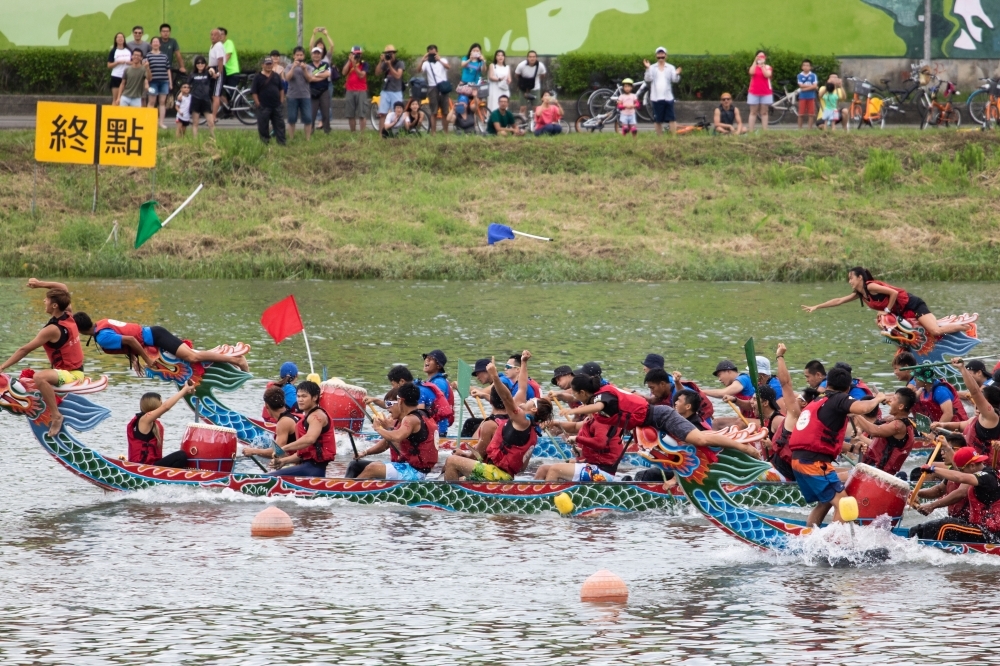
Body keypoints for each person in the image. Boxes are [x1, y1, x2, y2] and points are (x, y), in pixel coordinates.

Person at [788, 365, 886, 526]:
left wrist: (853, 448)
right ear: (848, 388)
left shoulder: (819, 400)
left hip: (798, 461)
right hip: (814, 463)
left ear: (827, 384)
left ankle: (810, 535)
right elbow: (864, 408)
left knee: (825, 502)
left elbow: (821, 439)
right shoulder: (839, 398)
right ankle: (834, 546)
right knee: (845, 504)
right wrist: (878, 399)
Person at [444, 353, 552, 482]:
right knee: (461, 477)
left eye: (532, 400)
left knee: (451, 461)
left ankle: (449, 498)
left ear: (533, 409)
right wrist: (524, 362)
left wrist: (494, 376)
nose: (529, 398)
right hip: (501, 473)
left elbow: (506, 398)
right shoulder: (529, 427)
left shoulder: (522, 421)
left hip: (498, 475)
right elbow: (522, 387)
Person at [0, 286, 84, 436]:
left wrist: (3, 367)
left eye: (47, 299)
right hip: (72, 370)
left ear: (54, 305)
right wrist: (39, 283)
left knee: (38, 377)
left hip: (72, 374)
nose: (44, 301)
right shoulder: (68, 313)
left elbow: (24, 350)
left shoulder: (52, 329)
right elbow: (63, 288)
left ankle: (56, 415)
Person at [802, 267, 971, 337]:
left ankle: (966, 327)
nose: (849, 282)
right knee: (879, 321)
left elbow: (893, 293)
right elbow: (839, 300)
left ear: (860, 277)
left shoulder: (872, 286)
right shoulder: (860, 294)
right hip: (902, 312)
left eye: (851, 278)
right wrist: (816, 306)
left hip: (913, 305)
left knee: (934, 331)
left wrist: (888, 310)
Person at [71, 311, 250, 373]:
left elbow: (132, 340)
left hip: (157, 336)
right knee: (191, 358)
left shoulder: (101, 336)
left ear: (78, 329)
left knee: (192, 357)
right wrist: (135, 360)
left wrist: (147, 360)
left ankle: (236, 360)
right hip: (154, 335)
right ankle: (227, 359)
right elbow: (126, 342)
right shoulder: (101, 326)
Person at [909, 446, 1000, 543]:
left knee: (944, 526)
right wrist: (915, 493)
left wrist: (932, 469)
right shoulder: (979, 474)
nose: (961, 471)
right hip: (978, 527)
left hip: (990, 533)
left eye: (961, 469)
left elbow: (960, 478)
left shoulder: (987, 477)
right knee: (918, 530)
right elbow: (939, 489)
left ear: (972, 465)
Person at [351, 383, 439, 480]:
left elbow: (397, 437)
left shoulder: (411, 419)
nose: (387, 408)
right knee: (355, 465)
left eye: (391, 403)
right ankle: (350, 487)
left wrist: (378, 428)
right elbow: (386, 443)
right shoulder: (415, 416)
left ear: (400, 401)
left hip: (415, 472)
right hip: (406, 466)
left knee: (373, 468)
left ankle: (348, 491)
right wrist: (365, 452)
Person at [269, 381, 336, 477]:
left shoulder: (317, 416)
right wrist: (283, 461)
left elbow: (310, 439)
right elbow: (303, 454)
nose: (300, 400)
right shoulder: (306, 419)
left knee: (270, 477)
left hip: (314, 469)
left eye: (304, 396)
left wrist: (283, 448)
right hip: (308, 468)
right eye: (298, 396)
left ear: (315, 397)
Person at [127, 383, 196, 468]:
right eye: (160, 403)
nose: (161, 405)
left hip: (151, 466)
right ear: (154, 405)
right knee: (181, 455)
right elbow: (166, 407)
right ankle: (173, 479)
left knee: (183, 458)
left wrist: (185, 392)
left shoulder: (152, 422)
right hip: (142, 468)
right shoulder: (144, 420)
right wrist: (184, 390)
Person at [853, 388, 917, 475]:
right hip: (873, 468)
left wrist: (854, 412)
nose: (890, 400)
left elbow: (873, 431)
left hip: (880, 475)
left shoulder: (898, 426)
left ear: (901, 406)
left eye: (893, 399)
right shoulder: (895, 420)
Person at [244, 386, 299, 459]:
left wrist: (253, 451)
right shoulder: (292, 416)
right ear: (284, 401)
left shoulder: (284, 422)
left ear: (266, 405)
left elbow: (278, 452)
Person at [643, 46, 681, 135]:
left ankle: (673, 138)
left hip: (668, 97)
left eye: (662, 54)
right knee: (658, 119)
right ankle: (660, 139)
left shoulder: (671, 67)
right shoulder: (652, 67)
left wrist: (677, 74)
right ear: (656, 56)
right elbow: (648, 79)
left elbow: (675, 80)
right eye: (659, 54)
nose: (661, 56)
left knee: (672, 118)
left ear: (666, 55)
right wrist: (648, 68)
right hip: (656, 97)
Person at [250, 57, 286, 145]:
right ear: (263, 65)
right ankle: (264, 143)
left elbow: (281, 89)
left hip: (276, 105)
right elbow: (254, 92)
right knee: (263, 126)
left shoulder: (276, 76)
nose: (269, 66)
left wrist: (281, 101)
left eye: (270, 64)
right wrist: (258, 103)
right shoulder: (258, 77)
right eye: (267, 64)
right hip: (264, 106)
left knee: (280, 125)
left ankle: (282, 143)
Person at [284, 46, 314, 141]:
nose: (299, 57)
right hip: (292, 96)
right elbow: (287, 78)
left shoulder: (308, 67)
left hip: (305, 96)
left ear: (304, 56)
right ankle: (291, 138)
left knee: (308, 119)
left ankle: (307, 139)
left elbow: (310, 79)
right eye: (297, 55)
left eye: (301, 55)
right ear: (294, 56)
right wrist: (293, 67)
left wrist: (304, 69)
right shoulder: (288, 67)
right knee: (291, 118)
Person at [420, 349, 453, 436]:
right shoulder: (432, 381)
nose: (426, 360)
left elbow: (436, 403)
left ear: (438, 366)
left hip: (437, 429)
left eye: (430, 359)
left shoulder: (439, 382)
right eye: (426, 358)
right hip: (433, 428)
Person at [419, 44, 451, 134]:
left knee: (445, 111)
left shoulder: (443, 60)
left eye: (434, 53)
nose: (432, 56)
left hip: (443, 86)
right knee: (434, 111)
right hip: (432, 87)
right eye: (430, 54)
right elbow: (418, 71)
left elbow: (448, 67)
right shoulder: (426, 63)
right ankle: (433, 133)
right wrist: (422, 60)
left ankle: (446, 132)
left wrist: (439, 60)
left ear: (437, 52)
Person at [375, 44, 405, 133]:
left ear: (394, 54)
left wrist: (390, 65)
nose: (389, 55)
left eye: (391, 53)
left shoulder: (400, 63)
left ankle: (394, 134)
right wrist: (381, 62)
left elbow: (398, 75)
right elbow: (377, 73)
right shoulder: (385, 63)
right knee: (382, 114)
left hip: (396, 91)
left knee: (396, 114)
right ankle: (381, 135)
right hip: (385, 91)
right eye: (387, 53)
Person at [145, 37, 172, 129]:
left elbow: (168, 70)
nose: (156, 43)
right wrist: (146, 83)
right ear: (151, 44)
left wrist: (170, 82)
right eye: (154, 42)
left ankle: (161, 123)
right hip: (152, 82)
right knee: (151, 102)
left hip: (164, 81)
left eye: (157, 42)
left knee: (162, 102)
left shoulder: (164, 56)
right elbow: (145, 70)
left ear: (160, 44)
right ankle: (150, 122)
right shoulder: (147, 56)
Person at [188, 55, 216, 138]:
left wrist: (210, 69)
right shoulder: (192, 74)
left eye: (202, 63)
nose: (200, 64)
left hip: (205, 100)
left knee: (210, 122)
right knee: (195, 122)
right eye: (198, 63)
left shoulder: (207, 73)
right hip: (195, 99)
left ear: (205, 64)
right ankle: (195, 141)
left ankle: (214, 139)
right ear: (195, 64)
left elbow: (212, 72)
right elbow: (186, 85)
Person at [342, 46, 369, 132]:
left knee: (362, 114)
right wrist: (349, 61)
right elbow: (343, 72)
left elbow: (361, 75)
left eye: (358, 54)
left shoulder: (364, 64)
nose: (357, 56)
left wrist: (354, 65)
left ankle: (362, 135)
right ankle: (352, 133)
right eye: (355, 54)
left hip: (361, 90)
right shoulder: (348, 63)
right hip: (350, 90)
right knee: (350, 114)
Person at [747, 51, 773, 132]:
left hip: (765, 92)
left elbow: (767, 75)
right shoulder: (753, 66)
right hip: (754, 92)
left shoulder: (768, 67)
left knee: (764, 112)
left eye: (763, 56)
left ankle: (765, 130)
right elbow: (751, 72)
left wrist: (762, 67)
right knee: (753, 112)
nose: (761, 58)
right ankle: (751, 131)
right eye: (759, 56)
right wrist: (755, 62)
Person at [309, 46, 332, 134]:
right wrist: (321, 75)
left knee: (326, 112)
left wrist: (316, 74)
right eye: (315, 53)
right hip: (313, 91)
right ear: (312, 55)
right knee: (312, 114)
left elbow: (328, 74)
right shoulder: (309, 66)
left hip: (324, 91)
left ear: (321, 55)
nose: (316, 55)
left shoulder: (325, 64)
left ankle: (327, 131)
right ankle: (310, 131)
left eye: (318, 53)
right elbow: (310, 78)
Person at [208, 28, 227, 121]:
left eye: (215, 35)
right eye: (211, 34)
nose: (213, 36)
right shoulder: (212, 46)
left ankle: (214, 117)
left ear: (220, 37)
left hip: (218, 69)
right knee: (212, 94)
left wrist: (219, 72)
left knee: (216, 95)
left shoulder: (219, 45)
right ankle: (213, 115)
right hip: (212, 69)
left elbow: (220, 59)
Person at [108, 33, 131, 106]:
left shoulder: (129, 50)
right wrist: (117, 62)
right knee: (116, 99)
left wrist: (129, 62)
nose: (120, 39)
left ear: (124, 39)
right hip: (116, 76)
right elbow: (109, 65)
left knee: (124, 99)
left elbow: (134, 62)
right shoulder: (113, 51)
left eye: (122, 37)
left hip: (127, 77)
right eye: (118, 37)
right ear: (115, 40)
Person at [796, 59, 818, 130]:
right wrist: (811, 86)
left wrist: (805, 89)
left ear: (810, 67)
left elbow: (815, 86)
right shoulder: (799, 75)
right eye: (804, 65)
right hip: (802, 97)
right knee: (801, 114)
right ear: (802, 67)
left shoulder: (813, 75)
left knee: (811, 114)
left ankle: (809, 129)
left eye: (807, 65)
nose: (806, 67)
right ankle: (800, 129)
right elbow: (801, 85)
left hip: (811, 96)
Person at [220, 27, 240, 95]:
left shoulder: (229, 43)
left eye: (222, 34)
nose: (220, 36)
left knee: (231, 93)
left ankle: (237, 105)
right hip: (224, 73)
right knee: (220, 91)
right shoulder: (218, 46)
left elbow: (227, 56)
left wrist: (219, 66)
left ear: (225, 35)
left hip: (232, 72)